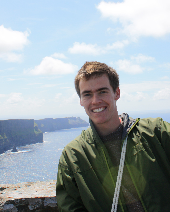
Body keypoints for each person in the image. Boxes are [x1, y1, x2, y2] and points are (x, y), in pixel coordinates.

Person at [56, 61, 170, 212]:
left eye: (102, 91)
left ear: (117, 93)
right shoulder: (73, 156)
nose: (95, 101)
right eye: (87, 94)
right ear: (81, 101)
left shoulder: (156, 132)